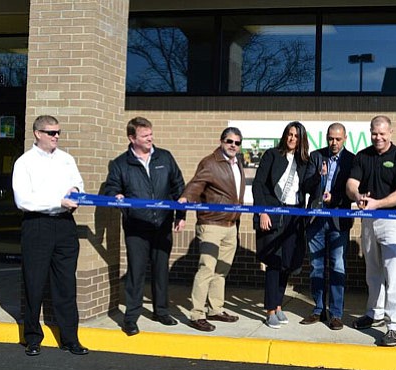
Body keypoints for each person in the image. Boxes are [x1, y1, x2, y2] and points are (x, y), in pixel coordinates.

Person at [12, 115, 89, 356]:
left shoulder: (67, 159)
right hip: (37, 226)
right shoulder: (24, 163)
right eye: (51, 133)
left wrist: (76, 191)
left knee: (66, 283)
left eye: (58, 133)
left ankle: (70, 338)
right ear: (37, 133)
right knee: (34, 282)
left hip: (65, 225)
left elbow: (78, 183)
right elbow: (23, 199)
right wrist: (58, 200)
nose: (56, 136)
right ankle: (32, 337)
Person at [104, 116, 186, 336]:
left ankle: (161, 311)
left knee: (161, 271)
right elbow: (111, 188)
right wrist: (116, 196)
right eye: (145, 136)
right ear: (132, 138)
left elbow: (179, 186)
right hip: (136, 227)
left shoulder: (165, 157)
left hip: (162, 224)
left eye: (151, 134)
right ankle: (131, 318)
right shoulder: (122, 163)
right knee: (136, 272)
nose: (150, 138)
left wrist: (181, 215)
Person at [346, 115, 396, 347]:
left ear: (391, 133)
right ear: (370, 132)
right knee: (372, 270)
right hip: (368, 221)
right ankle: (374, 313)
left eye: (382, 133)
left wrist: (378, 203)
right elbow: (351, 184)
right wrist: (358, 196)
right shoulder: (362, 156)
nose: (378, 137)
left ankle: (395, 325)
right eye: (375, 133)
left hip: (392, 220)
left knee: (393, 273)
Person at [179, 127, 246, 332]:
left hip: (230, 225)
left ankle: (215, 308)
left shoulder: (238, 162)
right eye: (229, 141)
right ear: (221, 141)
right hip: (211, 224)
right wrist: (185, 200)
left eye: (237, 142)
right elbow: (196, 185)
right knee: (206, 269)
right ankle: (197, 314)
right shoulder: (210, 162)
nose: (233, 145)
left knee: (221, 271)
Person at [252, 121, 309, 329]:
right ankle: (269, 310)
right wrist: (263, 212)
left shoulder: (304, 162)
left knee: (286, 263)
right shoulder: (272, 155)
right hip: (273, 215)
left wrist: (320, 175)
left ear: (302, 139)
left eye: (296, 136)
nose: (292, 138)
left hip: (293, 218)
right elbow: (258, 184)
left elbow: (308, 186)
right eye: (290, 134)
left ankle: (278, 305)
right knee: (274, 263)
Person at [299, 123, 355, 330]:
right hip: (316, 220)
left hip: (338, 221)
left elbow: (353, 191)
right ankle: (318, 309)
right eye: (331, 139)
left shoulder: (351, 160)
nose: (334, 143)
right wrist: (318, 177)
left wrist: (336, 197)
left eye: (338, 139)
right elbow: (305, 186)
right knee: (316, 267)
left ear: (345, 138)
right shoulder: (316, 156)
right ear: (326, 138)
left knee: (338, 266)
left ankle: (336, 314)